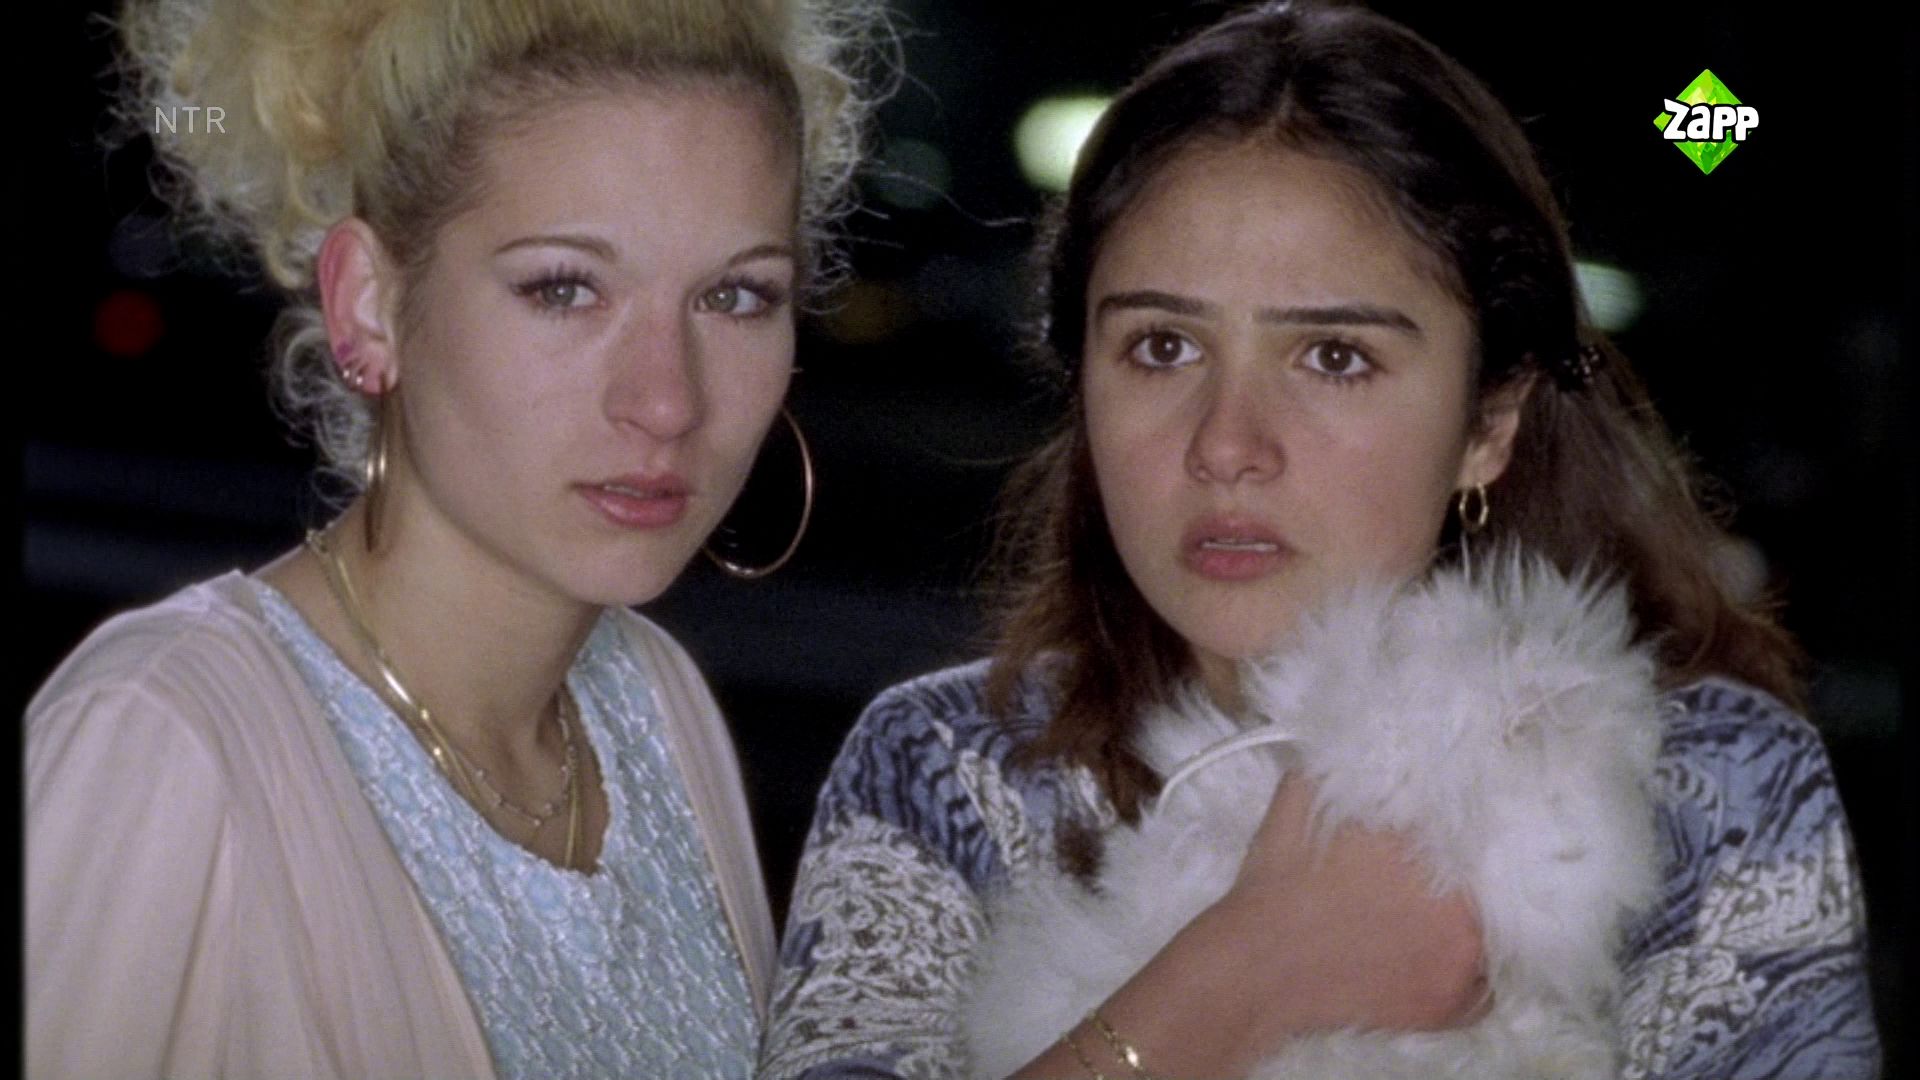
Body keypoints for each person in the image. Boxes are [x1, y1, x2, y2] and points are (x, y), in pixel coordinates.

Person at [757, 4, 1880, 1079]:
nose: (1227, 446)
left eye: (1335, 357)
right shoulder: (944, 771)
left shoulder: (1715, 790)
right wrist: (1245, 974)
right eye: (1161, 347)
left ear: (1488, 424)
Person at [26, 0, 878, 1076]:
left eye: (736, 296)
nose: (667, 401)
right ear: (369, 305)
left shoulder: (655, 705)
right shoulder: (166, 740)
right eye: (564, 288)